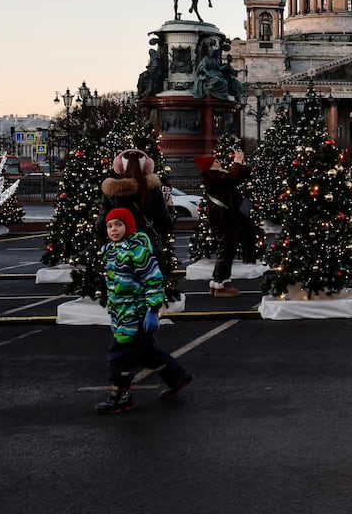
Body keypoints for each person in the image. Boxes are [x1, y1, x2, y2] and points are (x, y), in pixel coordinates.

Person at [94, 207, 192, 414]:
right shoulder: (110, 251)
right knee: (146, 352)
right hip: (121, 313)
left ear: (128, 226)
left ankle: (121, 396)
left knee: (119, 354)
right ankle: (178, 377)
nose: (113, 230)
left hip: (135, 313)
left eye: (119, 225)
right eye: (110, 226)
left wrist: (152, 309)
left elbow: (153, 280)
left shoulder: (137, 251)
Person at [97, 149, 178, 301]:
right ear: (148, 167)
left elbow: (100, 226)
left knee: (124, 295)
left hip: (120, 251)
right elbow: (167, 224)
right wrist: (170, 207)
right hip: (149, 246)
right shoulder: (154, 191)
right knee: (150, 290)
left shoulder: (112, 192)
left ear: (119, 166)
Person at [196, 151, 255, 297]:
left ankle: (221, 281)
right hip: (225, 220)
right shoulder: (212, 178)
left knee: (227, 250)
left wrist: (240, 163)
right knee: (226, 250)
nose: (219, 162)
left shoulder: (218, 175)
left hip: (228, 219)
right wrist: (237, 161)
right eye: (215, 162)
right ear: (209, 166)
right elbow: (233, 178)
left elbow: (241, 175)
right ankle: (220, 282)